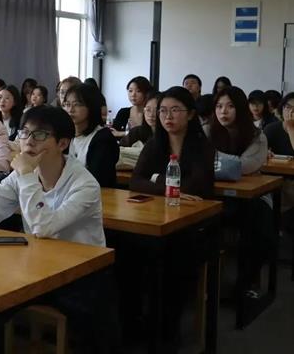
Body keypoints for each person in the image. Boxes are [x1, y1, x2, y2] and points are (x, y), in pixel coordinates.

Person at [0, 105, 119, 353]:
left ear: (62, 143)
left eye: (40, 134)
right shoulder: (22, 176)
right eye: (25, 133)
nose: (29, 141)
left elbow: (43, 226)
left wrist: (26, 174)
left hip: (80, 274)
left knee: (93, 330)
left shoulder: (84, 184)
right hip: (35, 268)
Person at [129, 86, 215, 348]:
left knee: (171, 256)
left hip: (194, 225)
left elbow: (195, 187)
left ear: (190, 114)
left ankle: (167, 330)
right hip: (156, 220)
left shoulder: (202, 147)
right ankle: (136, 323)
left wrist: (156, 180)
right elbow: (136, 181)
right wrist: (166, 185)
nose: (167, 116)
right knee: (128, 248)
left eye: (175, 110)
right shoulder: (156, 144)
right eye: (163, 111)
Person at [210, 87, 275, 298]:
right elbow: (198, 160)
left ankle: (246, 282)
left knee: (259, 224)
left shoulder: (257, 136)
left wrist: (213, 160)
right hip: (215, 196)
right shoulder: (207, 131)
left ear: (240, 108)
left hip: (252, 198)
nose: (223, 111)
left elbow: (244, 166)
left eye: (230, 106)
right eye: (219, 106)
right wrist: (220, 163)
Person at [62, 84, 119, 187]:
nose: (70, 109)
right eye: (67, 104)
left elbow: (98, 179)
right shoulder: (65, 136)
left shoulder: (103, 139)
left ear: (91, 106)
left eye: (77, 104)